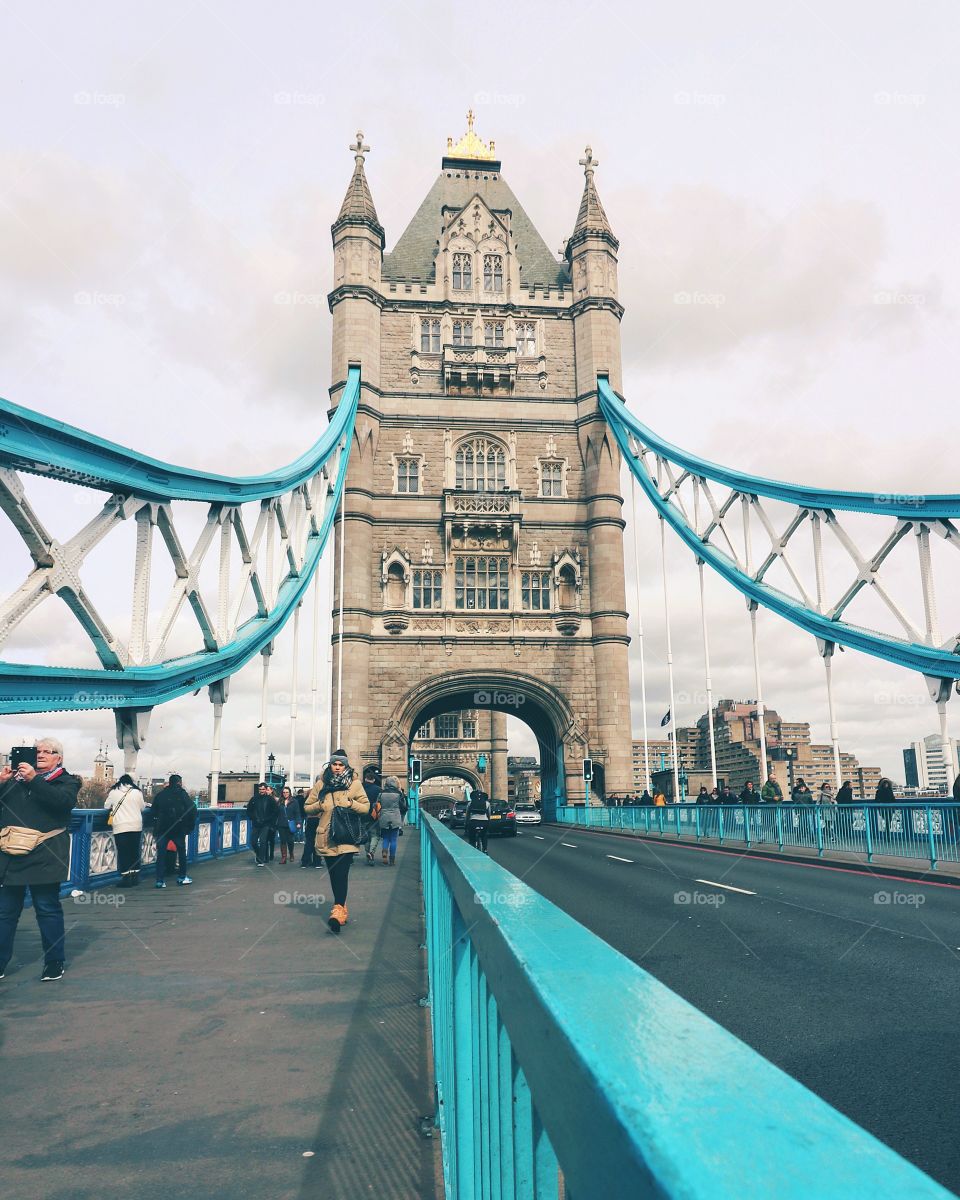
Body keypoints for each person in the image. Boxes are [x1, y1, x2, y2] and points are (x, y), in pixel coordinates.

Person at [0, 738, 80, 981]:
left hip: (46, 854)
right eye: (38, 751)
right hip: (10, 856)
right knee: (5, 913)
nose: (42, 754)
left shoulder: (67, 781)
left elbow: (62, 803)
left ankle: (54, 962)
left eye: (49, 751)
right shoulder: (13, 781)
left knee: (47, 910)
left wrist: (34, 779)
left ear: (59, 758)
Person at [303, 749, 369, 933]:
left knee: (341, 873)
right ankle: (342, 908)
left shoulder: (355, 784)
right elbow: (307, 807)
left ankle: (337, 911)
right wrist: (320, 805)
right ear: (330, 765)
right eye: (335, 764)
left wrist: (351, 804)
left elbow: (366, 807)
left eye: (341, 764)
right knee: (334, 874)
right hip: (326, 836)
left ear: (346, 766)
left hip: (346, 835)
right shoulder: (320, 784)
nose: (338, 767)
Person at [151, 774, 196, 887]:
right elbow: (192, 810)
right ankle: (182, 877)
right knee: (181, 853)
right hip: (178, 828)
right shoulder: (182, 794)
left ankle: (160, 880)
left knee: (161, 854)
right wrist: (189, 826)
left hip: (162, 828)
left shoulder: (160, 795)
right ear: (179, 783)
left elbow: (153, 811)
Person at [105, 773, 146, 887]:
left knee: (123, 852)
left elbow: (106, 806)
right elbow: (142, 807)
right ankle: (135, 877)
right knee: (134, 851)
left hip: (120, 826)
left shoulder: (114, 792)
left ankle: (126, 878)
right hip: (135, 825)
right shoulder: (137, 792)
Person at [246, 783, 277, 868]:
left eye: (263, 789)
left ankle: (261, 860)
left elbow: (275, 812)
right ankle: (259, 854)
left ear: (266, 789)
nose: (261, 791)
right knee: (253, 842)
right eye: (260, 789)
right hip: (256, 823)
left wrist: (269, 821)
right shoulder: (254, 799)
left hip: (266, 824)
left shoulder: (270, 799)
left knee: (263, 841)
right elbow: (249, 811)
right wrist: (253, 818)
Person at [378, 776, 406, 865]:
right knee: (393, 839)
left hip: (384, 817)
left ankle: (384, 852)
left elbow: (377, 805)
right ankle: (392, 860)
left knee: (385, 838)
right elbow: (403, 807)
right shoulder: (399, 794)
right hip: (395, 817)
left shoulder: (381, 794)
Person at [361, 766, 382, 865]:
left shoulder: (359, 788)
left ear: (365, 779)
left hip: (361, 816)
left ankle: (367, 854)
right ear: (373, 780)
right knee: (375, 836)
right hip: (374, 816)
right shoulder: (378, 789)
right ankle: (371, 853)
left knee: (366, 837)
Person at [276, 786, 296, 864]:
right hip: (281, 824)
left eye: (287, 792)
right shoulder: (279, 802)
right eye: (284, 792)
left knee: (290, 841)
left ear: (290, 793)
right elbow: (276, 813)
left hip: (290, 824)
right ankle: (284, 857)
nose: (285, 794)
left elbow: (297, 813)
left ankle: (291, 854)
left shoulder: (294, 801)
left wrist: (298, 823)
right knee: (283, 841)